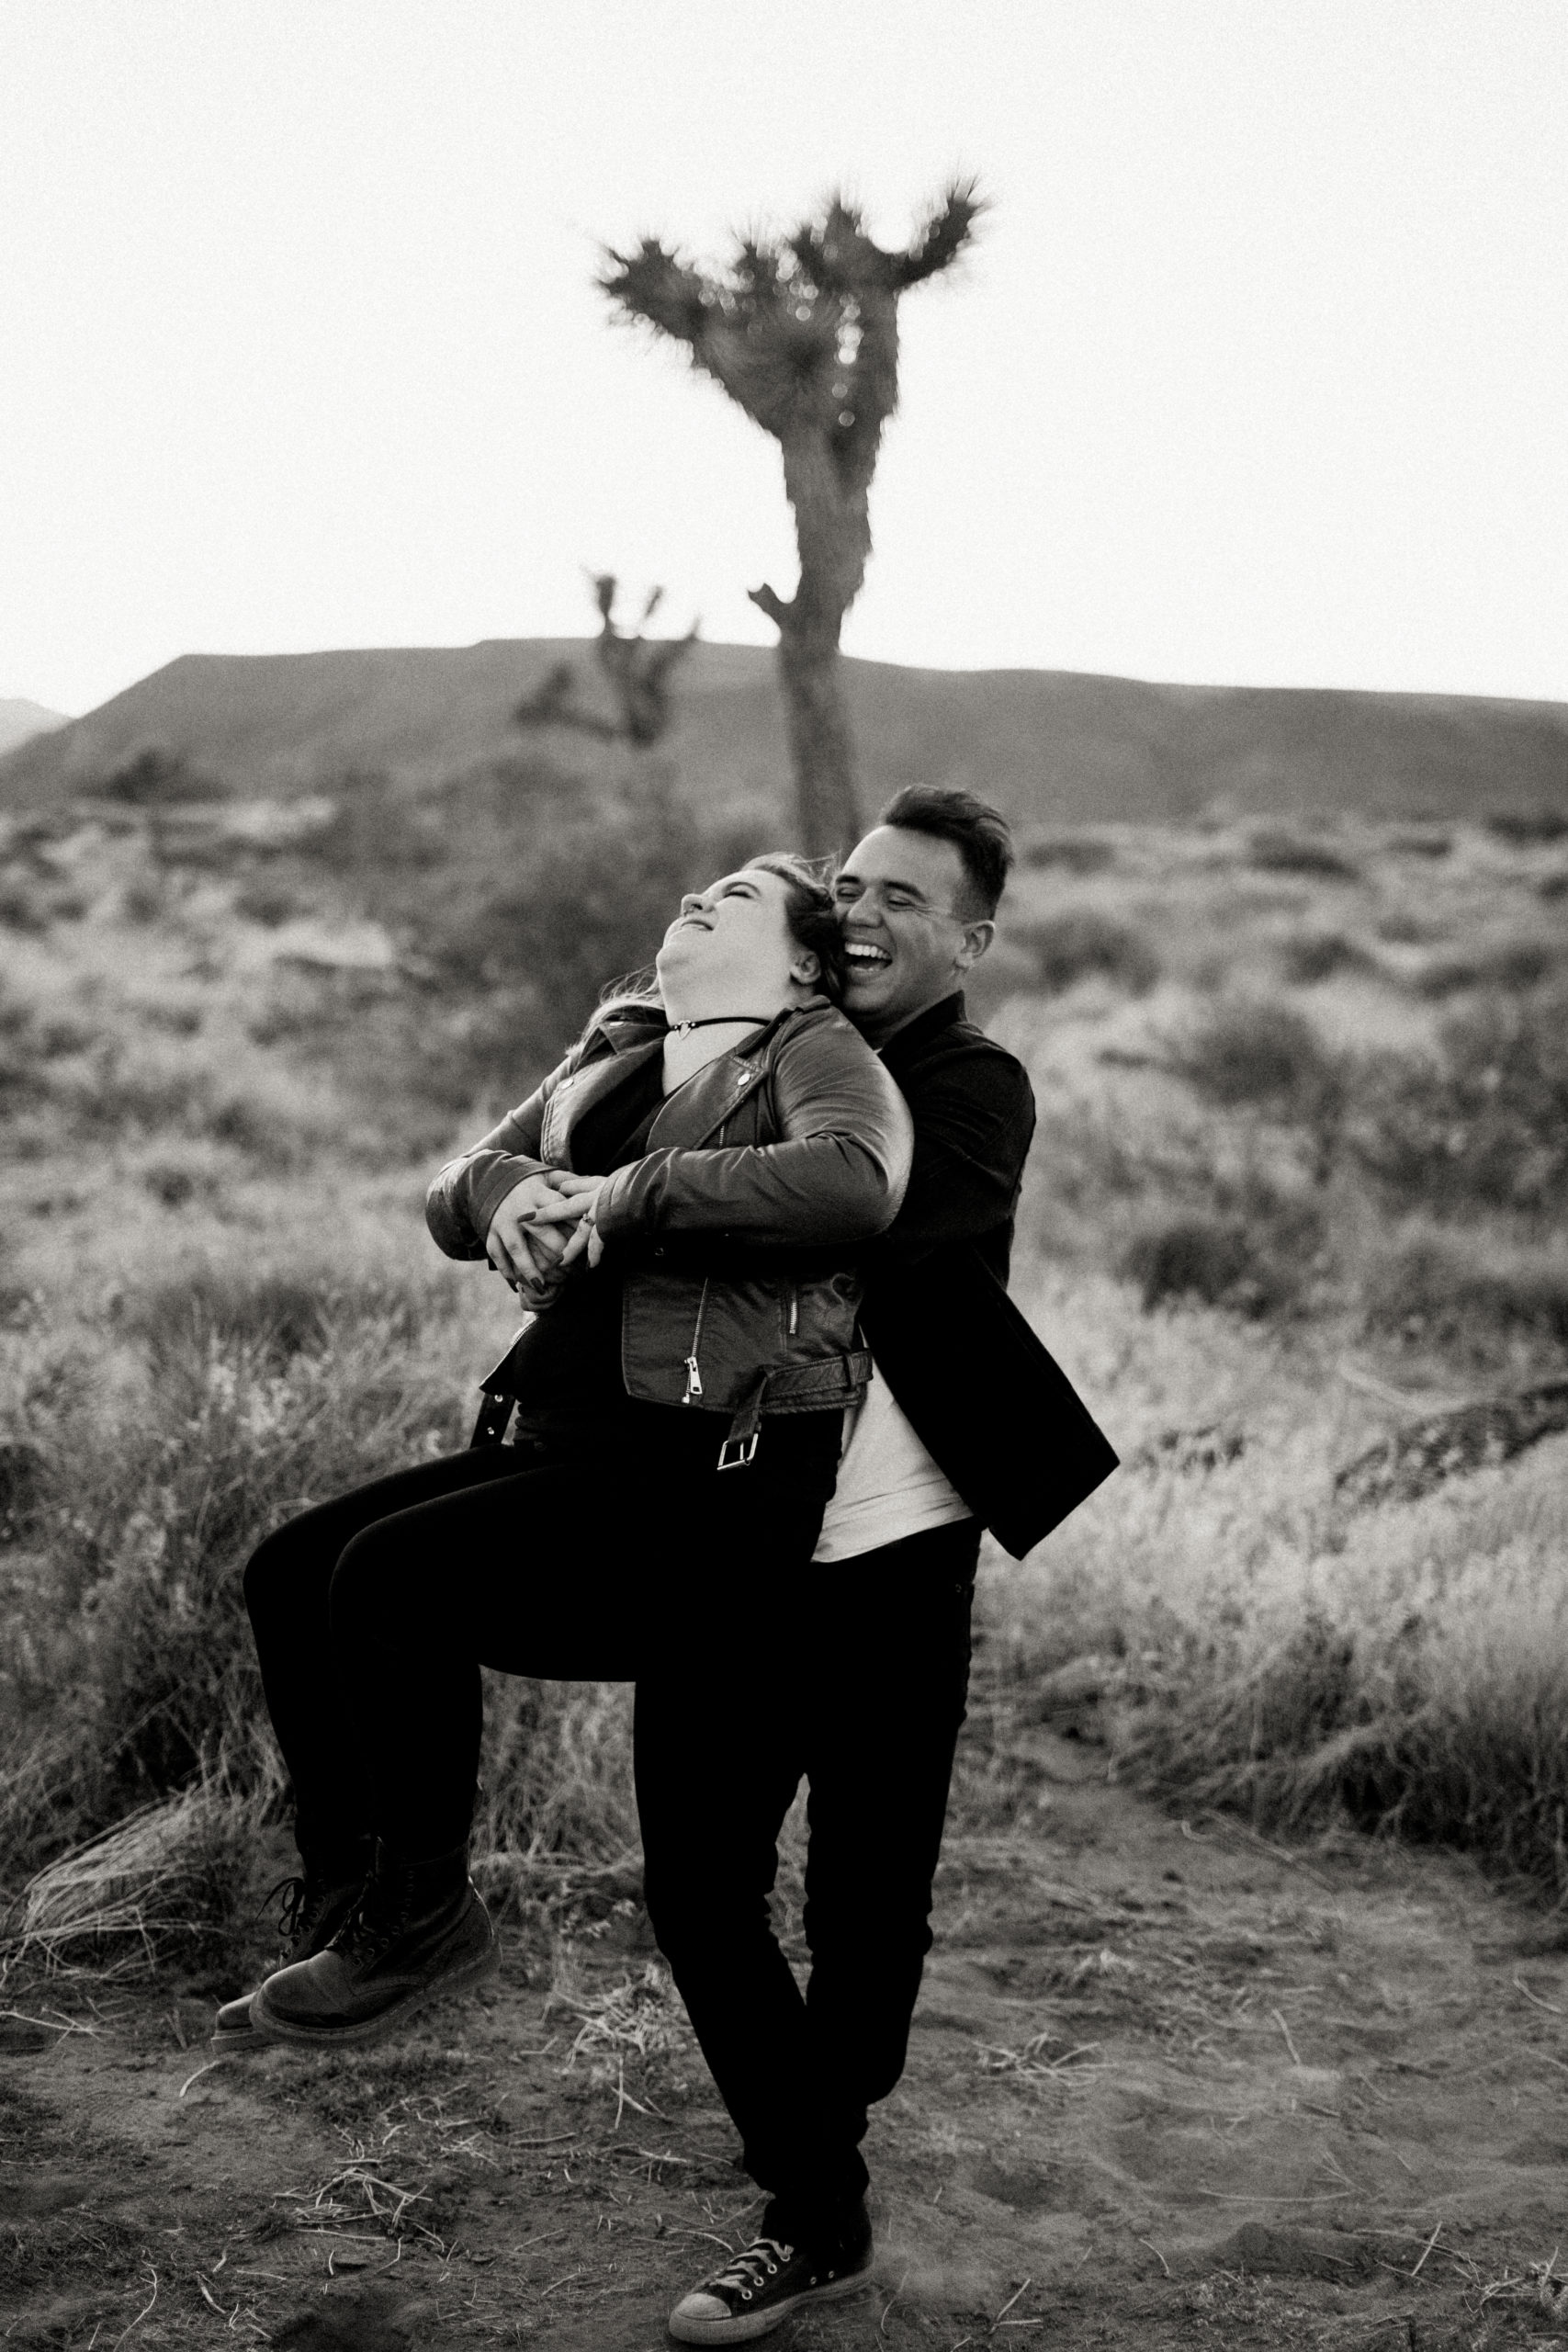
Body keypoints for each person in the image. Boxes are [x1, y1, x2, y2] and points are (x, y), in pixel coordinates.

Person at [211, 854, 911, 2052]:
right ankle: (350, 1909)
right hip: (558, 1441)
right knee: (289, 1573)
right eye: (705, 884)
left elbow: (857, 1179)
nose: (704, 893)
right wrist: (498, 1198)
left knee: (386, 1580)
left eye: (743, 893)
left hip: (688, 1475)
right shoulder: (621, 1047)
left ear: (802, 959)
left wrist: (621, 1197)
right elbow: (456, 1183)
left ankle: (425, 1918)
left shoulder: (806, 1050)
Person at [647, 788, 1118, 2347]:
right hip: (735, 1531)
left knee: (868, 1911)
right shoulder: (752, 1053)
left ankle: (811, 2137)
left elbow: (871, 1231)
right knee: (700, 1880)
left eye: (905, 899)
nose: (861, 910)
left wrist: (685, 1204)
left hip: (900, 1549)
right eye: (847, 883)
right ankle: (818, 2191)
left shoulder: (972, 1085)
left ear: (971, 938)